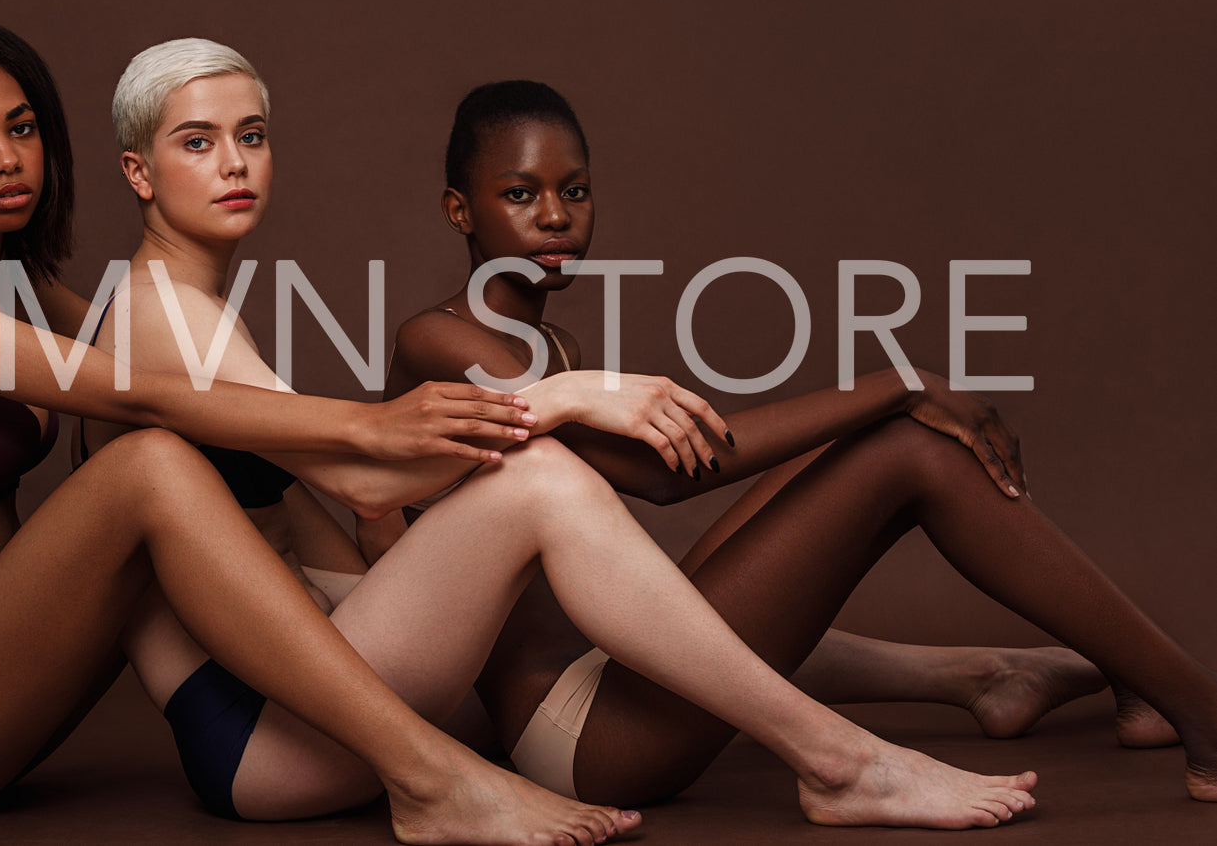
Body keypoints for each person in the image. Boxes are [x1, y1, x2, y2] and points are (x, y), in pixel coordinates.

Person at [83, 37, 1044, 830]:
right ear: (138, 170)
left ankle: (958, 679)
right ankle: (837, 760)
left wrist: (422, 574)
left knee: (595, 578)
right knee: (540, 483)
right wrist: (569, 394)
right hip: (260, 734)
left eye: (249, 136)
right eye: (198, 142)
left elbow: (301, 524)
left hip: (300, 687)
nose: (235, 163)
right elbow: (365, 479)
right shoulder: (165, 311)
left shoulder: (192, 303)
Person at [0, 20, 646, 846]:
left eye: (22, 128)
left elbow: (172, 371)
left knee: (181, 461)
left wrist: (370, 479)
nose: (6, 157)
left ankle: (402, 726)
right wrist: (367, 428)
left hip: (5, 678)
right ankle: (430, 779)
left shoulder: (24, 288)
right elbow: (143, 396)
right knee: (147, 462)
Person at [369, 78, 1213, 806]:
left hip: (619, 663)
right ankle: (1196, 707)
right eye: (520, 193)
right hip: (581, 733)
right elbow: (658, 474)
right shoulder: (436, 343)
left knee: (885, 438)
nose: (554, 215)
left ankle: (1133, 682)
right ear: (460, 209)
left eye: (575, 191)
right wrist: (899, 380)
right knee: (908, 445)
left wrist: (892, 396)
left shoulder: (558, 354)